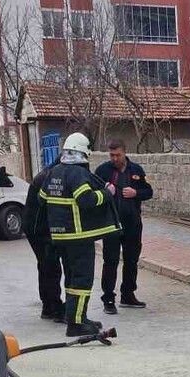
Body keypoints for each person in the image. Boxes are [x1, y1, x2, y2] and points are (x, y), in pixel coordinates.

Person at [38, 132, 120, 336]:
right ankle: (76, 324)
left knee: (71, 278)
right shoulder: (77, 173)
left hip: (60, 236)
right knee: (82, 280)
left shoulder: (54, 171)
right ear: (84, 152)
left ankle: (75, 317)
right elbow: (87, 200)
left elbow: (42, 199)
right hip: (79, 236)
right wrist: (106, 193)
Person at [94, 139, 153, 314]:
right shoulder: (103, 171)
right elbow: (92, 192)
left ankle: (128, 294)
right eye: (111, 155)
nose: (114, 158)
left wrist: (136, 193)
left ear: (125, 153)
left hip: (132, 223)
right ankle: (108, 299)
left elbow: (148, 191)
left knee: (131, 260)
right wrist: (105, 191)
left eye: (117, 155)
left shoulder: (136, 170)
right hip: (111, 224)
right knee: (110, 261)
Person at [23, 162, 64, 322]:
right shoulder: (50, 178)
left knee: (45, 265)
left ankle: (48, 306)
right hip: (38, 228)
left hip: (36, 225)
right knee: (51, 266)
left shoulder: (48, 173)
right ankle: (53, 307)